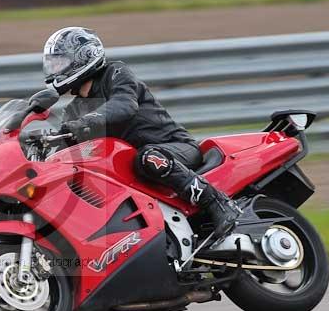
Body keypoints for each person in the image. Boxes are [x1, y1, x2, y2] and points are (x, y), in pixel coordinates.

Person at [42, 26, 241, 241]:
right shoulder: (74, 109)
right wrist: (37, 145)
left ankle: (217, 202)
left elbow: (124, 105)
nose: (55, 69)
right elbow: (65, 145)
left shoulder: (115, 73)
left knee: (148, 157)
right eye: (52, 63)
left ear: (83, 57)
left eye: (60, 62)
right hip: (136, 165)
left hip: (174, 148)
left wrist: (86, 122)